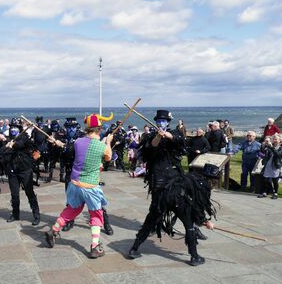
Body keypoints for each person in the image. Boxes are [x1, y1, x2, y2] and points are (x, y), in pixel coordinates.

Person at [128, 110, 215, 266]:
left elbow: (181, 142)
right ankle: (134, 248)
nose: (161, 123)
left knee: (187, 218)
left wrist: (168, 136)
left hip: (175, 184)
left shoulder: (175, 133)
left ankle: (194, 255)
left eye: (164, 121)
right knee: (152, 218)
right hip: (159, 186)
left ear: (168, 122)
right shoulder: (150, 136)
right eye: (159, 120)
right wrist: (158, 136)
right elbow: (150, 147)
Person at [45, 113, 114, 259]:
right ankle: (95, 246)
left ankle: (54, 230)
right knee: (96, 214)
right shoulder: (102, 146)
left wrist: (57, 143)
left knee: (72, 209)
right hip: (90, 186)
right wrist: (108, 142)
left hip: (74, 183)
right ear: (100, 129)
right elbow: (108, 157)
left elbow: (76, 150)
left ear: (87, 128)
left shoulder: (78, 142)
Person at [5, 118, 41, 225]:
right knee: (14, 194)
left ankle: (36, 215)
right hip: (12, 170)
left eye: (15, 128)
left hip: (25, 170)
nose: (13, 130)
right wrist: (3, 141)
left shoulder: (24, 137)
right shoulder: (9, 139)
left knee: (29, 192)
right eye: (12, 128)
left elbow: (19, 144)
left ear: (20, 129)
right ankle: (15, 214)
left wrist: (11, 144)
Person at [258, 134, 281, 199]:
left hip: (276, 165)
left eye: (276, 139)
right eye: (274, 139)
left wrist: (271, 147)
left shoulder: (280, 148)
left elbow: (278, 155)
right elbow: (262, 152)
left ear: (280, 141)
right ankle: (264, 192)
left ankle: (275, 193)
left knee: (274, 180)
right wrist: (264, 145)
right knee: (265, 179)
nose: (274, 140)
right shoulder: (270, 146)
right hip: (268, 164)